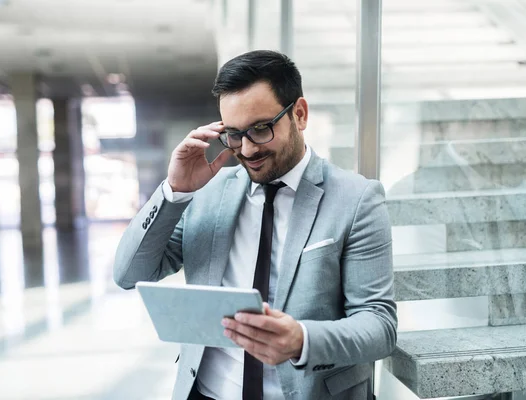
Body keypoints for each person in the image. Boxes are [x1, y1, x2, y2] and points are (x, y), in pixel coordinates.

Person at [113, 50, 397, 400]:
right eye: (233, 134)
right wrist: (174, 191)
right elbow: (128, 273)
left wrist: (302, 341)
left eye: (261, 129)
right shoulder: (208, 192)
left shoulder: (356, 199)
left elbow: (379, 325)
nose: (246, 149)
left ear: (300, 114)